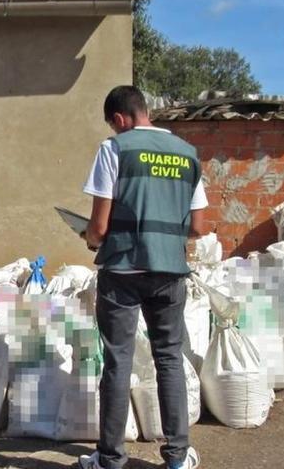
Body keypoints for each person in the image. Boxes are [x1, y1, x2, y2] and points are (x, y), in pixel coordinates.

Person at [78, 86, 207, 469]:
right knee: (169, 357)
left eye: (114, 125)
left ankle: (110, 459)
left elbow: (99, 227)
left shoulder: (114, 149)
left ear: (120, 119)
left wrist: (88, 236)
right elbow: (199, 226)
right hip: (170, 273)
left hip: (123, 271)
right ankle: (178, 458)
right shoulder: (188, 154)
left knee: (118, 361)